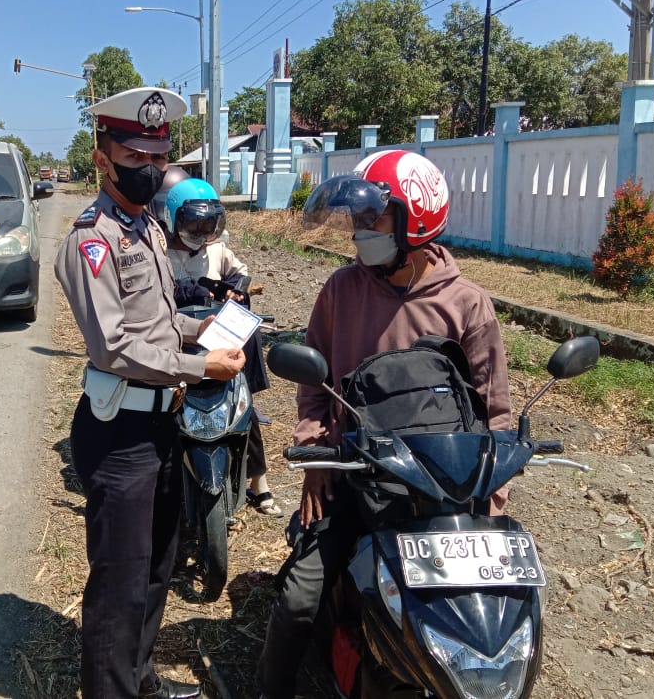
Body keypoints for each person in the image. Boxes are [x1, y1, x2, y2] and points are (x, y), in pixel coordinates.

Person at [256, 149, 511, 699]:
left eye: (374, 218)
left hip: (441, 494)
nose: (360, 231)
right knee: (300, 597)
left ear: (414, 222)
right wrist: (315, 459)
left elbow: (494, 411)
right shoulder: (341, 290)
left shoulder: (467, 306)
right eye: (358, 219)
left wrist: (490, 495)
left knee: (490, 621)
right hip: (355, 478)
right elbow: (313, 383)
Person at [53, 86, 246, 699]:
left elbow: (157, 324)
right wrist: (198, 367)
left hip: (166, 425)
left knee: (159, 567)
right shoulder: (92, 240)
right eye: (134, 157)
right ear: (102, 156)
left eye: (158, 158)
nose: (149, 170)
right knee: (120, 585)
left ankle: (139, 681)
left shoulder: (148, 229)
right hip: (121, 435)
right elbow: (113, 347)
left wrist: (203, 327)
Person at [162, 177, 282, 517]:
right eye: (193, 222)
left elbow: (240, 274)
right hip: (176, 339)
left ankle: (258, 481)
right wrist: (189, 291)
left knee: (242, 403)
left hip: (213, 333)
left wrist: (233, 290)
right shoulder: (157, 248)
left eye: (208, 223)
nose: (201, 231)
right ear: (173, 219)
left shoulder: (216, 249)